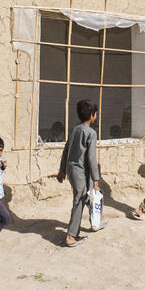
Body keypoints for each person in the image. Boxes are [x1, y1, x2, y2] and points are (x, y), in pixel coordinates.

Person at [56, 100, 102, 247]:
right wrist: (96, 178)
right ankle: (71, 236)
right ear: (92, 115)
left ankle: (96, 222)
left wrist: (62, 170)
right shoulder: (91, 133)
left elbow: (66, 150)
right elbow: (91, 157)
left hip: (72, 169)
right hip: (81, 171)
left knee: (93, 197)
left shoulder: (75, 129)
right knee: (80, 200)